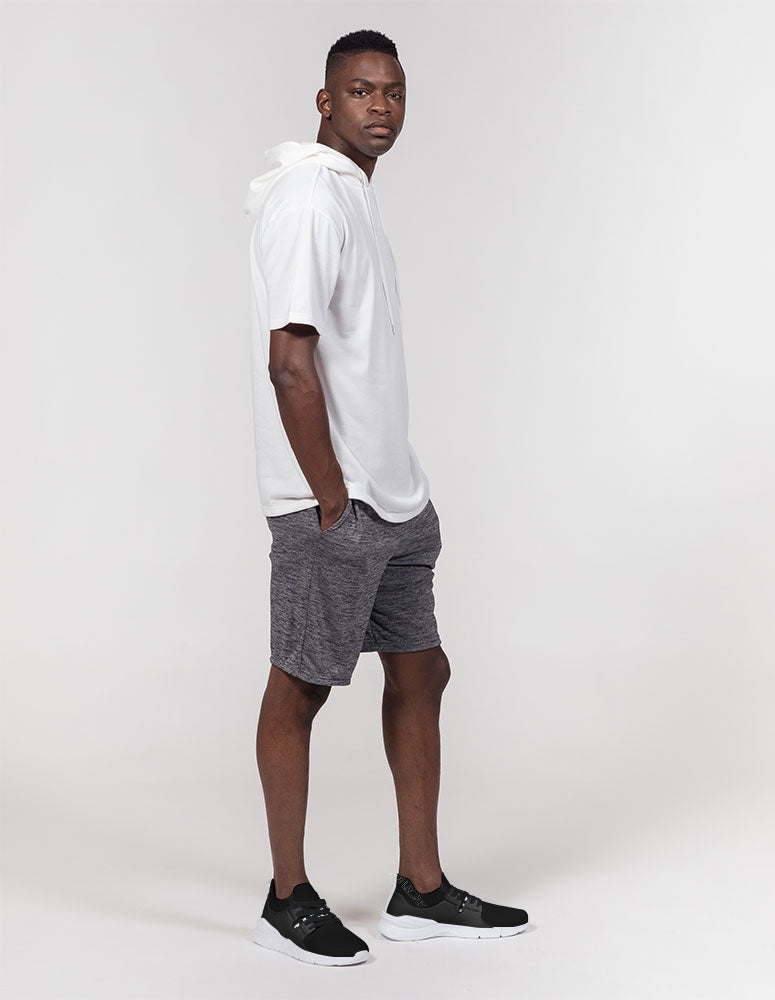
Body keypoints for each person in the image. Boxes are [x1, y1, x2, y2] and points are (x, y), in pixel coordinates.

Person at [243, 28, 529, 966]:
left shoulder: (355, 196)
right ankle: (287, 898)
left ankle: (421, 889)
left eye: (394, 92)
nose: (382, 107)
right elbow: (290, 363)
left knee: (421, 672)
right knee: (301, 685)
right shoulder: (307, 198)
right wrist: (330, 499)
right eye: (362, 91)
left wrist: (381, 489)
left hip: (394, 497)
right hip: (336, 502)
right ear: (325, 102)